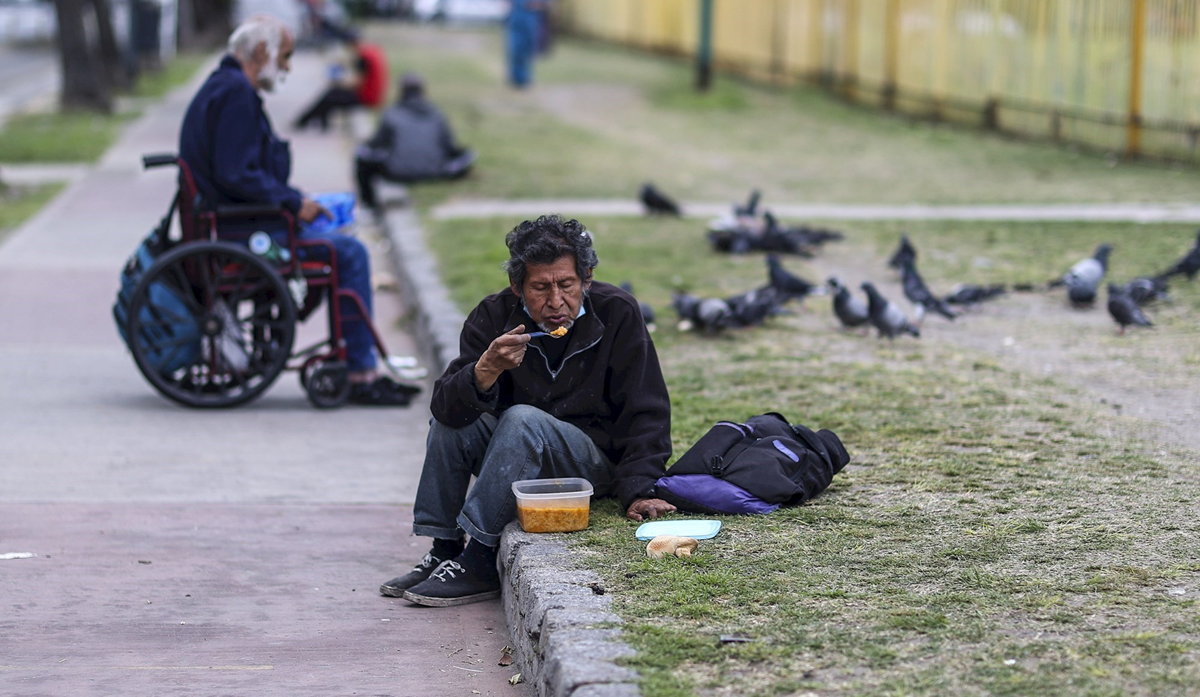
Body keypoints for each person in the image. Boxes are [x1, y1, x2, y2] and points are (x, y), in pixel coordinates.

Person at [380, 215, 677, 607]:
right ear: (517, 287)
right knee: (452, 421)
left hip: (588, 462)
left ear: (586, 279)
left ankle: (481, 557)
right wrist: (485, 369)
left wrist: (639, 489)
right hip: (513, 457)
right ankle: (445, 548)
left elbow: (646, 407)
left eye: (567, 285)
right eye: (540, 288)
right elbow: (445, 408)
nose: (555, 302)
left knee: (522, 418)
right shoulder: (493, 316)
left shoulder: (617, 312)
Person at [178, 16, 417, 406]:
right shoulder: (235, 93)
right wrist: (292, 202)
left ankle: (358, 360)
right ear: (260, 53)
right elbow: (236, 173)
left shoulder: (224, 86)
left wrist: (293, 199)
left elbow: (237, 171)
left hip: (231, 221)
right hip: (243, 230)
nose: (288, 67)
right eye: (285, 57)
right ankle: (359, 370)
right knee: (350, 253)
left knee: (340, 240)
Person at [353, 73, 475, 210]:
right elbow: (450, 148)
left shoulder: (391, 113)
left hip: (397, 172)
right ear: (423, 91)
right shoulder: (437, 114)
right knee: (468, 155)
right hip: (436, 171)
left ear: (401, 92)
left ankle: (369, 205)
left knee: (361, 157)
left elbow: (375, 145)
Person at [294, 29, 389, 132]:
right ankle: (319, 124)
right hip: (374, 96)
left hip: (366, 98)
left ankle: (302, 122)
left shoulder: (364, 56)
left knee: (330, 95)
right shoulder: (372, 50)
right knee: (332, 95)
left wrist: (338, 82)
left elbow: (357, 82)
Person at [506, 0, 545, 88]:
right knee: (516, 49)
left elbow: (543, 4)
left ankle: (524, 77)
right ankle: (516, 77)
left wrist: (535, 5)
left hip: (530, 19)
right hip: (516, 18)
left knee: (527, 49)